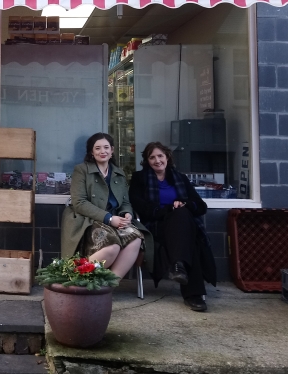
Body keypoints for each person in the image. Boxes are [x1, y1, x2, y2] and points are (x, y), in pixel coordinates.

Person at [129, 141, 216, 311]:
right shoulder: (139, 179)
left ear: (167, 157)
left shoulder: (180, 178)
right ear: (147, 161)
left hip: (182, 226)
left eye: (160, 156)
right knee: (191, 239)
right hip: (156, 226)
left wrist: (185, 204)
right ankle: (194, 295)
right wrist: (168, 209)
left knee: (183, 217)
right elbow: (140, 207)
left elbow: (201, 206)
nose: (157, 160)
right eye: (152, 157)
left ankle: (179, 266)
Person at [61, 133, 153, 279]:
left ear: (112, 151)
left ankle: (109, 286)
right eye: (97, 148)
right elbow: (79, 203)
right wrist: (109, 218)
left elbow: (125, 202)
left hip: (116, 218)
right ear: (91, 152)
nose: (102, 151)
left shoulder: (118, 173)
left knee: (135, 238)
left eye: (106, 147)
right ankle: (74, 278)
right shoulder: (82, 170)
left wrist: (127, 213)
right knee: (112, 246)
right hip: (88, 219)